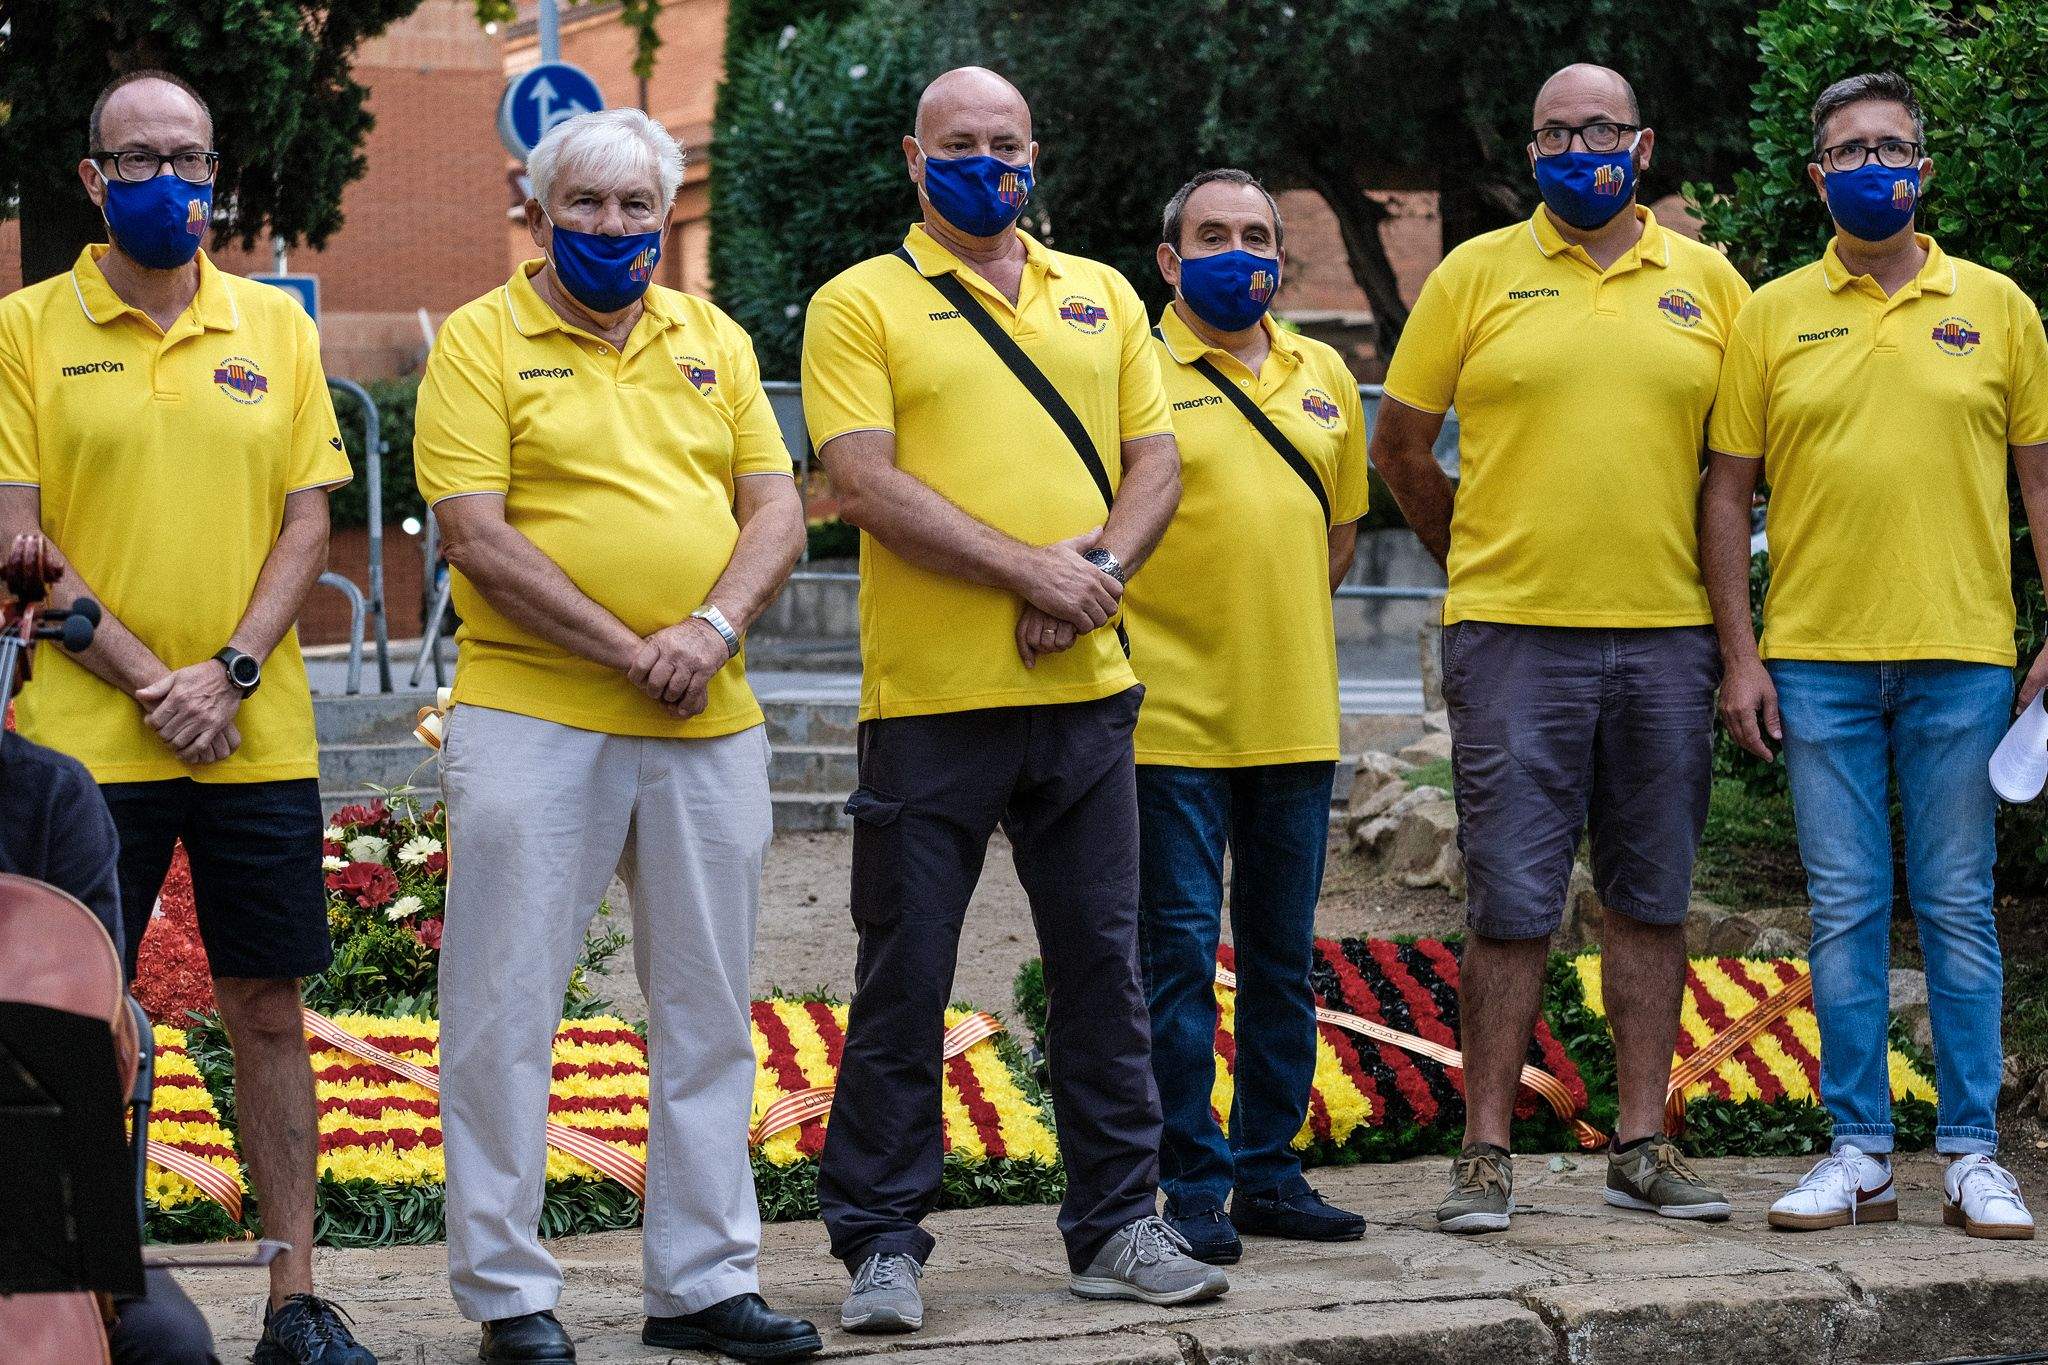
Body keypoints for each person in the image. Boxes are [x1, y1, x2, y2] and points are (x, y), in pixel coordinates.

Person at [801, 65, 1224, 1332]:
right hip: (929, 704)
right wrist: (1030, 567)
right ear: (911, 157)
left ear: (1036, 153)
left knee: (1105, 968)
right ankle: (881, 1242)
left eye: (1006, 143)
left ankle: (1116, 1225)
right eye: (959, 143)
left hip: (1086, 694)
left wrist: (1087, 576)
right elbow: (863, 484)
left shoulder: (1097, 293)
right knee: (905, 977)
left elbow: (1159, 461)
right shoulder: (857, 302)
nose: (986, 161)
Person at [413, 108, 818, 1362]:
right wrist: (630, 648)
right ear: (534, 211)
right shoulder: (481, 342)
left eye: (636, 206)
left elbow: (777, 507)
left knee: (704, 1011)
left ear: (664, 209)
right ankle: (509, 1299)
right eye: (583, 204)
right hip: (535, 713)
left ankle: (700, 1286)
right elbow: (474, 534)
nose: (613, 227)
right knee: (502, 1010)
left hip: (709, 718)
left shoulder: (716, 337)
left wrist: (705, 629)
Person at [0, 70, 373, 1364]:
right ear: (93, 179)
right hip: (79, 745)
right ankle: (72, 1296)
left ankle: (295, 1300)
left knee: (268, 1010)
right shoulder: (28, 327)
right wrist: (158, 679)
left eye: (193, 158)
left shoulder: (276, 327)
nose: (174, 181)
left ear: (220, 173)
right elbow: (15, 534)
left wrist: (229, 671)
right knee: (65, 1015)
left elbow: (309, 518)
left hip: (252, 736)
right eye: (141, 158)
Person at [1373, 63, 1749, 1235]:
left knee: (1649, 896)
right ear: (1527, 148)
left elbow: (1740, 468)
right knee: (1511, 898)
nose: (1575, 145)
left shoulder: (1712, 284)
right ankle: (1482, 1154)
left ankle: (1641, 1141)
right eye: (1552, 130)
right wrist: (1474, 559)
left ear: (1641, 146)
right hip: (1513, 638)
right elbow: (1398, 446)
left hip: (1666, 637)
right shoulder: (1472, 273)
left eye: (1598, 128)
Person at [1704, 71, 2047, 1240]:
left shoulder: (1997, 307)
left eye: (1888, 146)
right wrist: (1738, 654)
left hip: (1962, 656)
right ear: (1814, 176)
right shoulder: (1767, 313)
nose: (1869, 165)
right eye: (1845, 150)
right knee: (1842, 908)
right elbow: (1725, 492)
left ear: (1923, 165)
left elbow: (2039, 480)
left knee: (1956, 905)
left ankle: (1967, 1154)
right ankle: (1855, 1151)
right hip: (1813, 660)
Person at [1119, 169, 1371, 1264]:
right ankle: (1190, 1182)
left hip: (1294, 719)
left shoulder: (1325, 376)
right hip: (1165, 722)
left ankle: (1269, 1171)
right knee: (1173, 963)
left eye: (1255, 235)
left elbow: (1340, 535)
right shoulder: (1129, 367)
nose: (1238, 251)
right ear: (1169, 261)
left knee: (1278, 963)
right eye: (1210, 235)